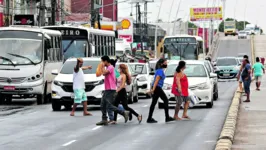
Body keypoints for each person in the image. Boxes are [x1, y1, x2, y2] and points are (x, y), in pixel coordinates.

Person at [96, 56, 129, 126]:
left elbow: (104, 73)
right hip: (107, 89)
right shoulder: (107, 68)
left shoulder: (111, 67)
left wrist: (101, 67)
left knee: (109, 106)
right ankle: (104, 119)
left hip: (111, 89)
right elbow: (102, 73)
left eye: (102, 61)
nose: (102, 63)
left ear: (105, 61)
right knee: (102, 104)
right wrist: (102, 68)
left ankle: (123, 112)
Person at [147, 58, 175, 123]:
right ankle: (167, 117)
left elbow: (155, 81)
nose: (166, 64)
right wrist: (153, 89)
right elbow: (156, 80)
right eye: (165, 63)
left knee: (153, 103)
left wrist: (152, 89)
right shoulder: (160, 71)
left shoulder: (159, 70)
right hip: (157, 87)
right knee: (165, 100)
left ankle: (149, 118)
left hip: (156, 87)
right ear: (162, 63)